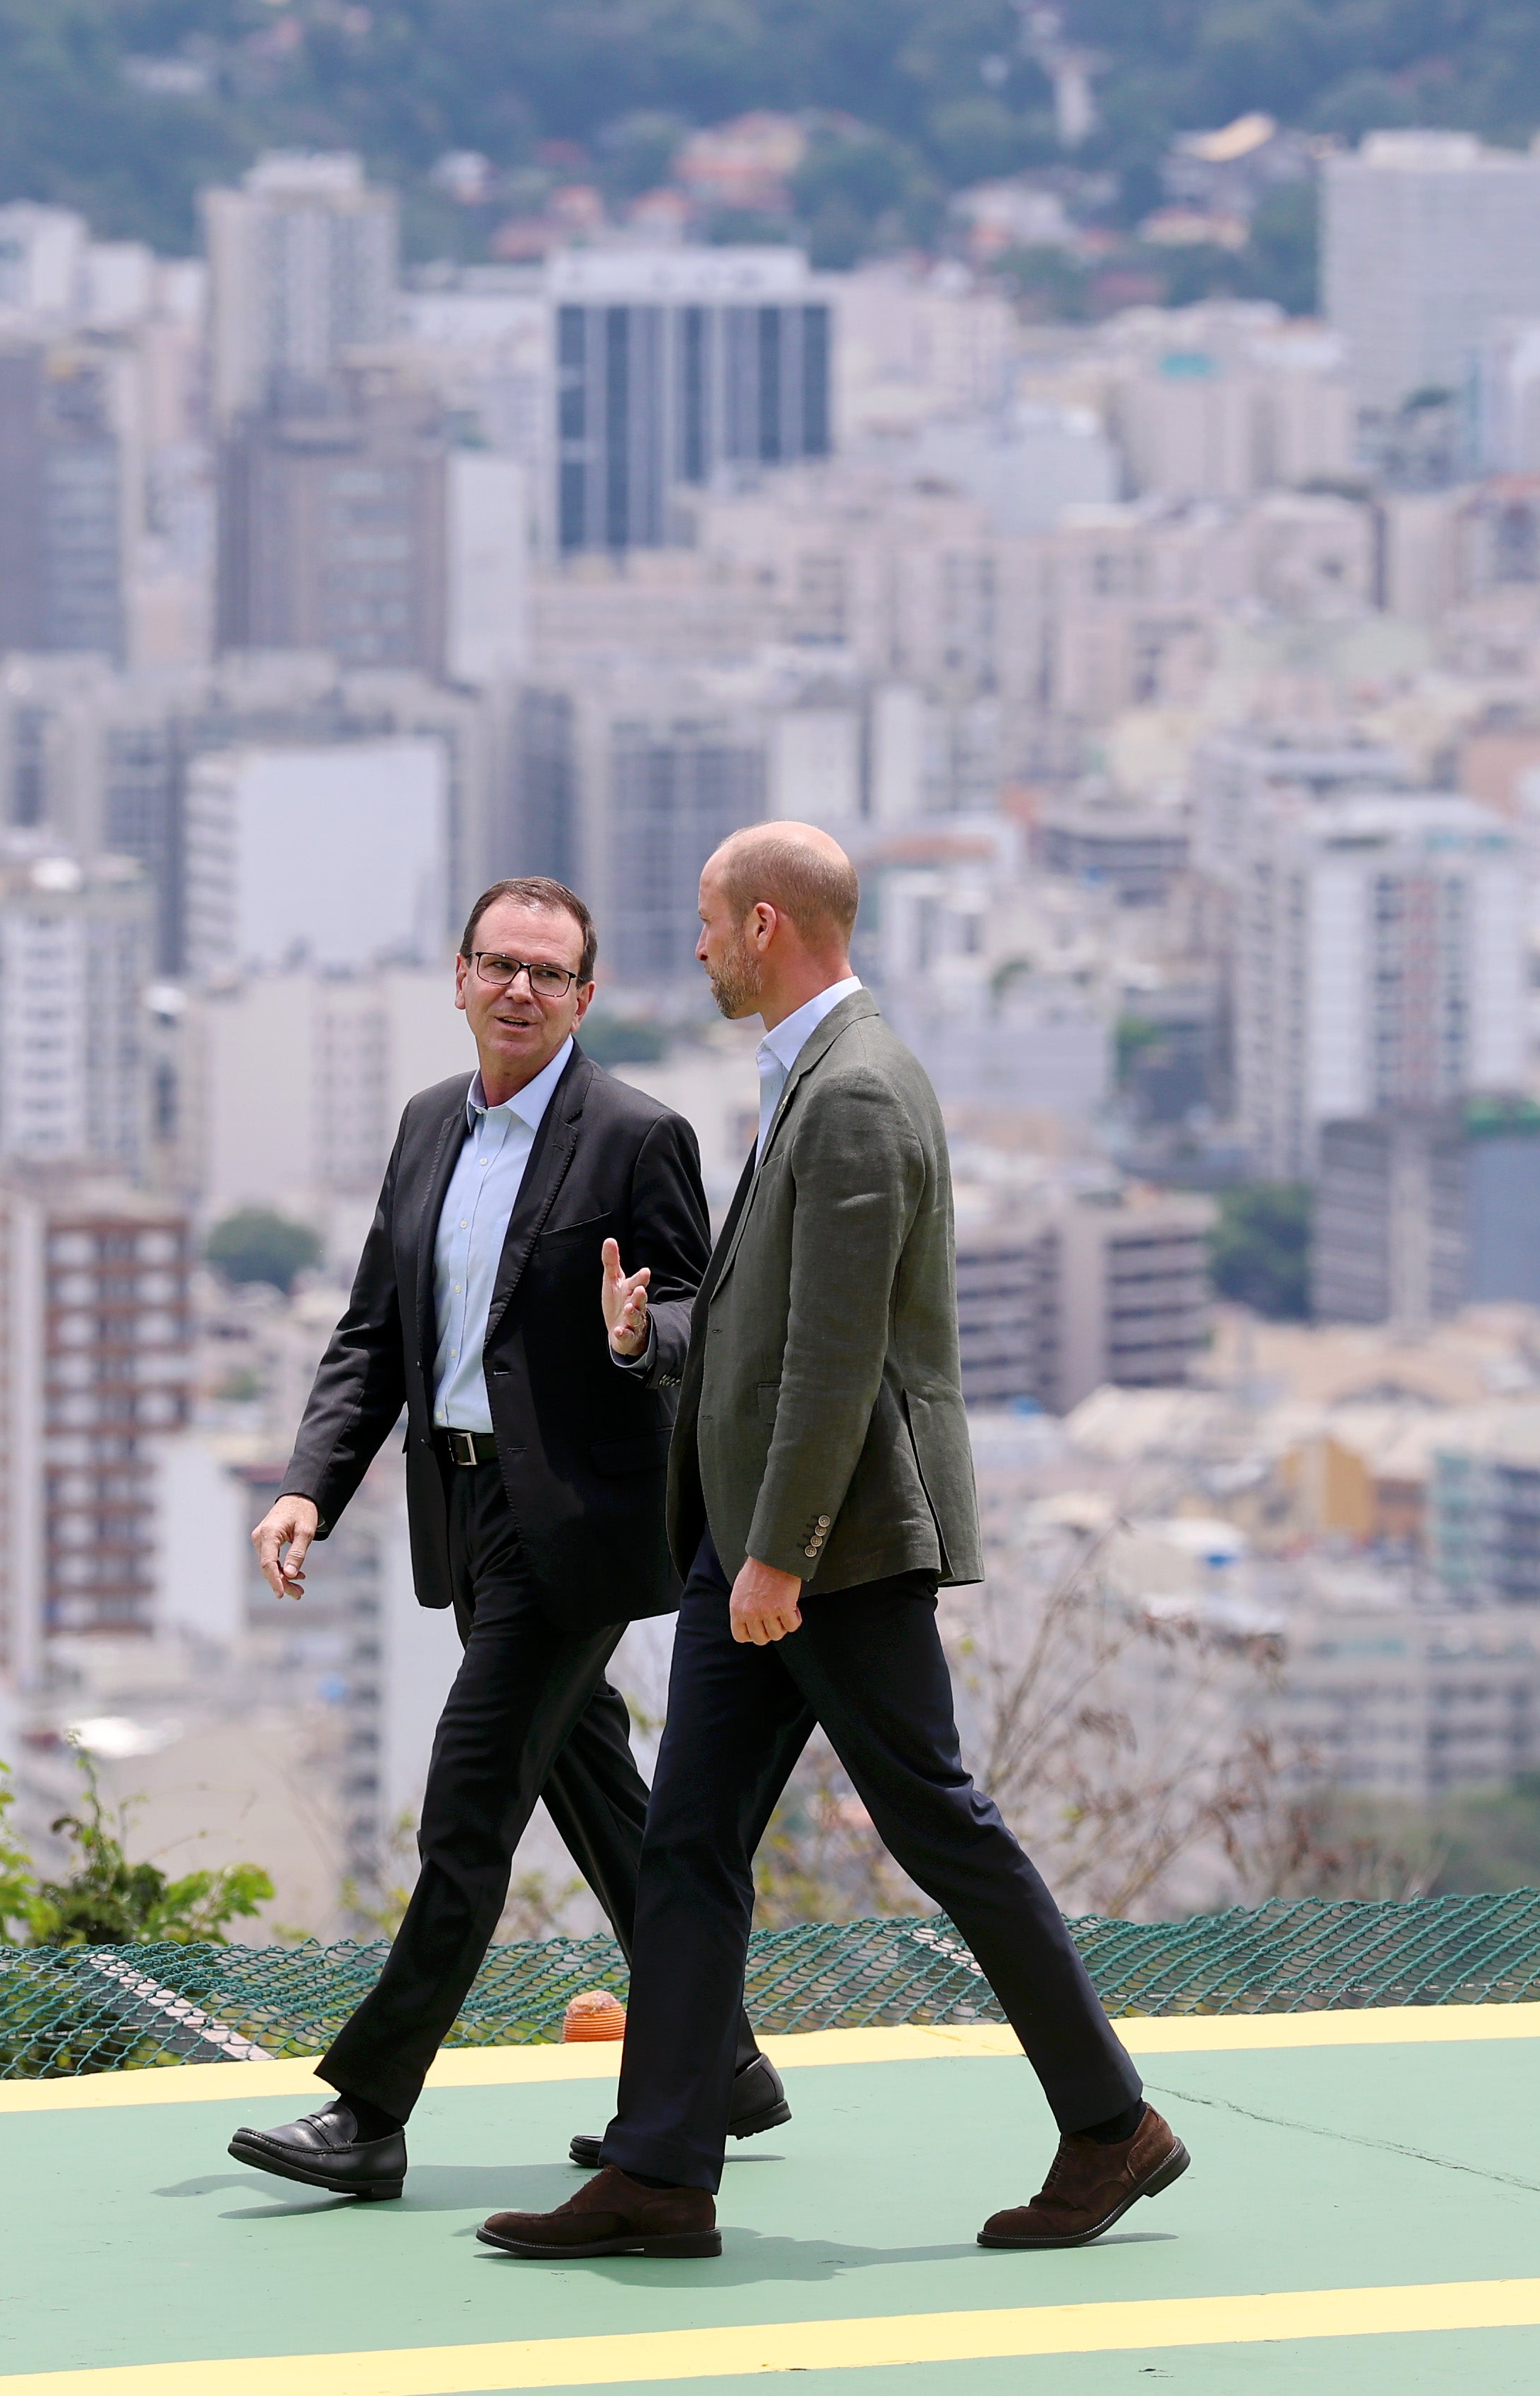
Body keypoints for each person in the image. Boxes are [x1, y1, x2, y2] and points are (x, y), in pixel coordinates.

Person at [479, 823, 1190, 2264]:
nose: (689, 950)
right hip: (763, 1538)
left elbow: (839, 1354)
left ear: (761, 923)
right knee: (686, 1845)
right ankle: (662, 2171)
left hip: (832, 1548)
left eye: (699, 924)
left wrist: (782, 1555)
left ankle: (1112, 2126)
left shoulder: (856, 1089)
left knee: (940, 1824)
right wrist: (658, 1333)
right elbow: (764, 1325)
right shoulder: (810, 1071)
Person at [227, 876, 788, 2202]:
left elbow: (709, 1317)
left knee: (468, 1806)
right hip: (462, 1512)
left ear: (585, 997)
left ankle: (368, 2112)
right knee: (594, 1793)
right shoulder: (427, 1126)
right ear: (459, 976)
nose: (521, 990)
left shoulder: (638, 1136)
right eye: (500, 966)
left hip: (581, 1529)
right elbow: (377, 1333)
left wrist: (638, 1334)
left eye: (549, 973)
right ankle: (728, 2066)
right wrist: (313, 1483)